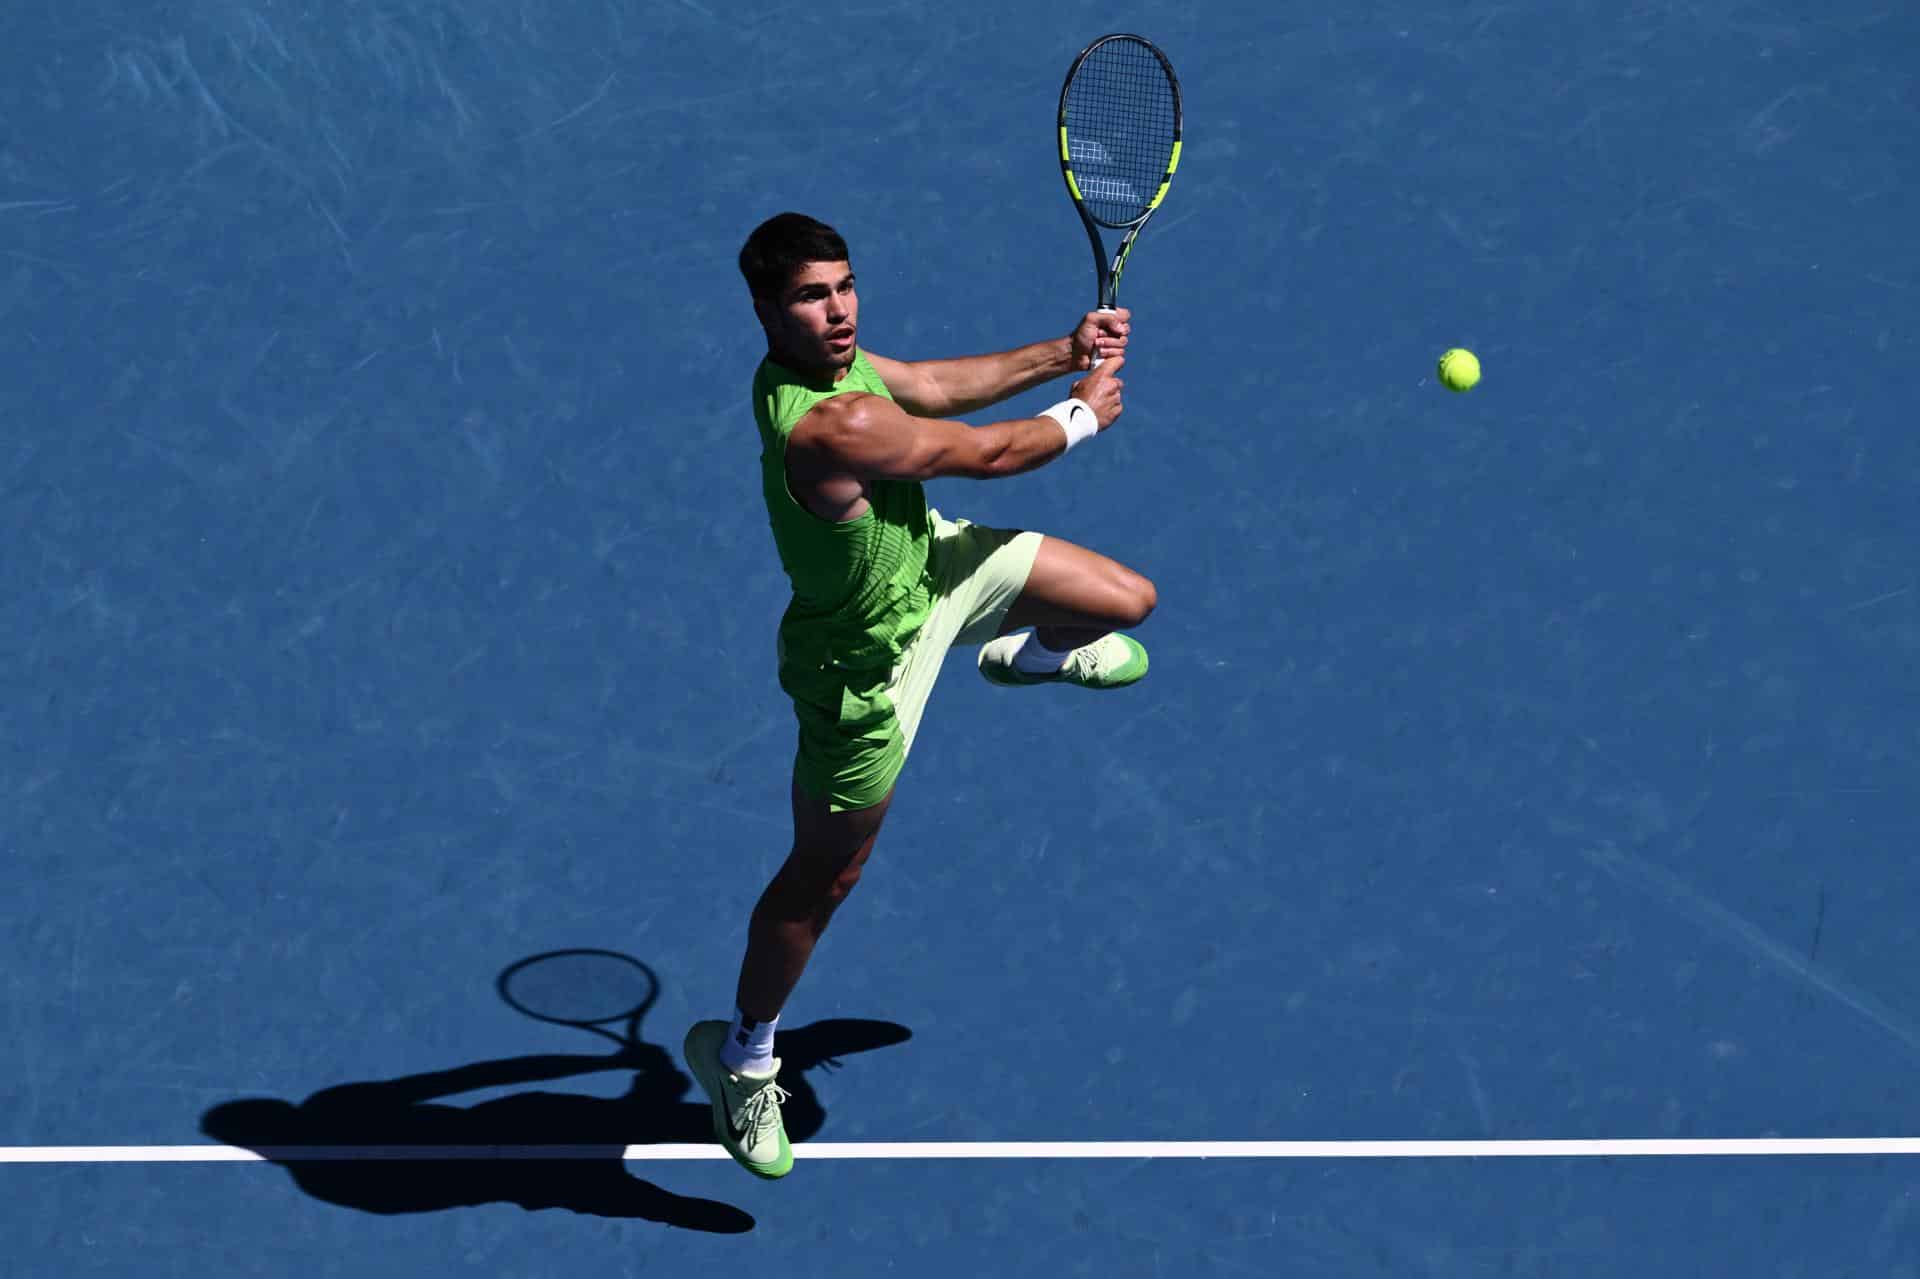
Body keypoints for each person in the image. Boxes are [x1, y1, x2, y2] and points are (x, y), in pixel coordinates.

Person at [683, 212, 1158, 1178]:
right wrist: (1079, 414)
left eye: (845, 285)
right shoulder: (827, 423)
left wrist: (1063, 350)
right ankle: (742, 1054)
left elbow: (935, 387)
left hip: (933, 567)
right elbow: (984, 453)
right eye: (812, 297)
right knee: (827, 877)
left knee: (1124, 601)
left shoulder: (843, 368)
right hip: (862, 668)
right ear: (767, 311)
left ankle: (1028, 657)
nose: (839, 311)